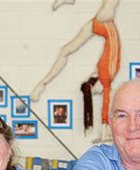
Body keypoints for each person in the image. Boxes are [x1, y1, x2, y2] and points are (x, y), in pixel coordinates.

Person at [31, 0, 120, 141]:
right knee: (66, 51)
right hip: (103, 28)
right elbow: (106, 98)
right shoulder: (106, 76)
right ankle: (42, 84)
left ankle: (42, 84)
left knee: (66, 51)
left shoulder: (104, 76)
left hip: (99, 26)